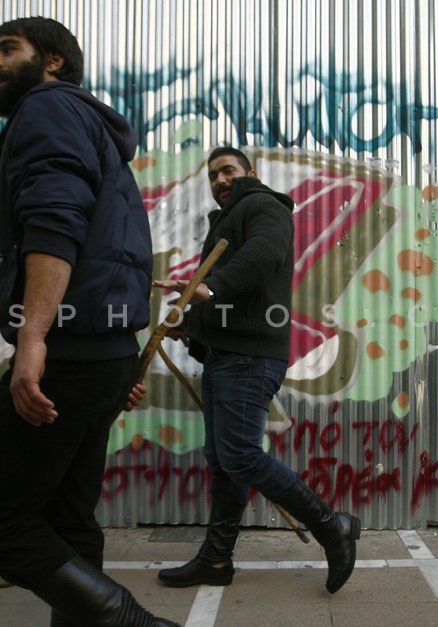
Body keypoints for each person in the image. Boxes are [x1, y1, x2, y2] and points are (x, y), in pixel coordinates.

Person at [0, 17, 176, 627]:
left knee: (5, 529)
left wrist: (32, 336)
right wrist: (118, 358)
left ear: (52, 60)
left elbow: (55, 221)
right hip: (103, 352)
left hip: (66, 350)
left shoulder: (46, 109)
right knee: (68, 520)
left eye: (9, 49)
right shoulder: (95, 128)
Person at [153, 147, 360, 594]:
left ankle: (331, 526)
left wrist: (209, 285)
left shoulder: (264, 206)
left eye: (228, 170)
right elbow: (232, 297)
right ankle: (216, 560)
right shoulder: (228, 219)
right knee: (224, 462)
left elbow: (263, 255)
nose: (220, 179)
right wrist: (186, 323)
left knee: (241, 455)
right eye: (213, 175)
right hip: (226, 356)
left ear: (250, 172)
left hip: (249, 358)